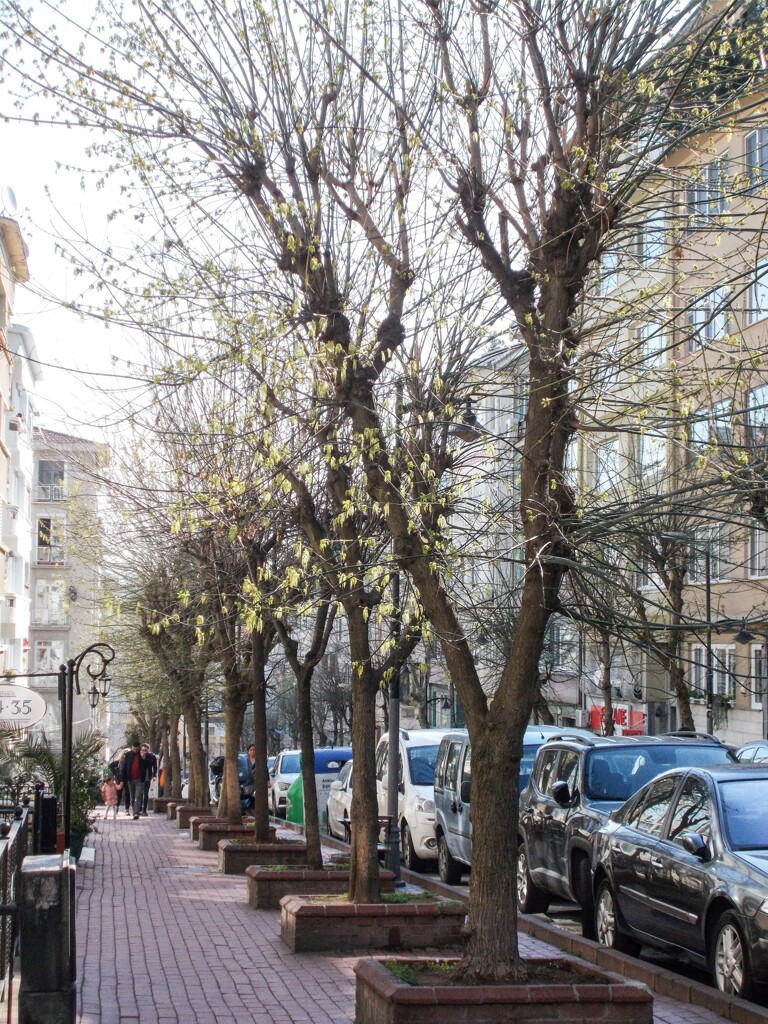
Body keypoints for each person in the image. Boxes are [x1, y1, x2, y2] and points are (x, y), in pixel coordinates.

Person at [121, 740, 153, 820]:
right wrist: (122, 779)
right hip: (130, 779)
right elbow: (124, 767)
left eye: (136, 749)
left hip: (140, 779)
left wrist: (144, 758)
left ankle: (136, 813)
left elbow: (149, 765)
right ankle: (135, 811)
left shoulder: (143, 755)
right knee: (132, 797)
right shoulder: (128, 755)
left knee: (138, 796)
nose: (134, 751)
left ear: (139, 748)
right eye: (133, 749)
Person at [140, 743, 158, 815]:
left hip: (147, 776)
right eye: (142, 750)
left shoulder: (151, 756)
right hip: (139, 776)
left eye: (145, 750)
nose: (144, 751)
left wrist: (154, 775)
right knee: (139, 793)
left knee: (145, 793)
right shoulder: (138, 756)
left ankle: (144, 810)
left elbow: (154, 766)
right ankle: (139, 809)